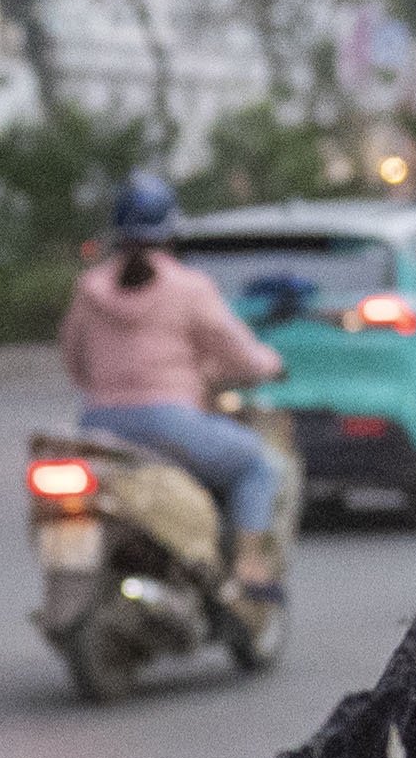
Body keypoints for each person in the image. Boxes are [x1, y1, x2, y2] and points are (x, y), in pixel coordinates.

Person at [62, 171, 286, 607]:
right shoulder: (188, 287)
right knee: (257, 465)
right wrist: (270, 364)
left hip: (96, 428)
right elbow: (235, 349)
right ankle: (248, 570)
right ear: (169, 231)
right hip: (170, 426)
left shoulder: (89, 289)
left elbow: (73, 357)